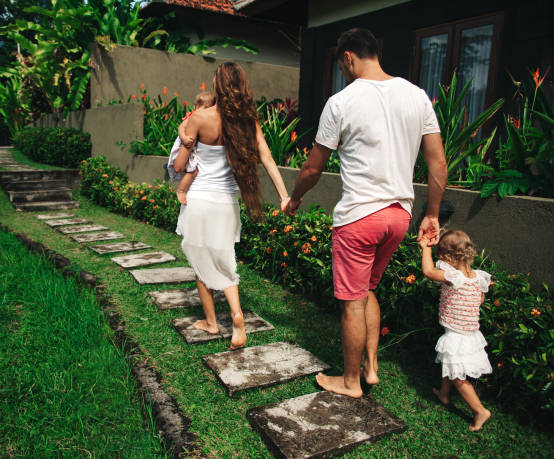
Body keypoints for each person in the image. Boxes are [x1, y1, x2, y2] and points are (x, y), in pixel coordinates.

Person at [284, 28, 448, 397]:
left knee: (352, 301)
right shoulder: (416, 95)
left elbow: (312, 168)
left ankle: (350, 381)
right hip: (398, 216)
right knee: (368, 288)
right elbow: (437, 162)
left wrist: (294, 198)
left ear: (348, 58)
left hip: (359, 217)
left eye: (342, 65)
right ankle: (371, 368)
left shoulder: (341, 101)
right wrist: (432, 214)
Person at [173, 62, 290, 349]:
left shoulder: (200, 117)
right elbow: (268, 159)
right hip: (227, 202)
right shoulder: (249, 122)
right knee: (225, 259)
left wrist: (185, 142)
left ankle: (212, 323)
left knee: (201, 262)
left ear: (218, 85)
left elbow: (179, 165)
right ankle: (237, 315)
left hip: (200, 199)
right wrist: (284, 195)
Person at [419, 229, 492, 431]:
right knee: (450, 366)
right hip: (470, 334)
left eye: (441, 257)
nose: (440, 261)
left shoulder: (454, 277)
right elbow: (481, 300)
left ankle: (480, 411)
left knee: (459, 378)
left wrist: (425, 249)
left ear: (450, 257)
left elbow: (428, 272)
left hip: (458, 337)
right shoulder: (478, 278)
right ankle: (443, 393)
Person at [166, 91, 216, 204]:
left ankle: (184, 189)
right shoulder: (193, 116)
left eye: (209, 108)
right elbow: (181, 128)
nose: (206, 112)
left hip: (192, 148)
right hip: (184, 144)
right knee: (193, 171)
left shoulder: (206, 120)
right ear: (195, 107)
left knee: (193, 170)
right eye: (204, 108)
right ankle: (181, 190)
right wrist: (184, 138)